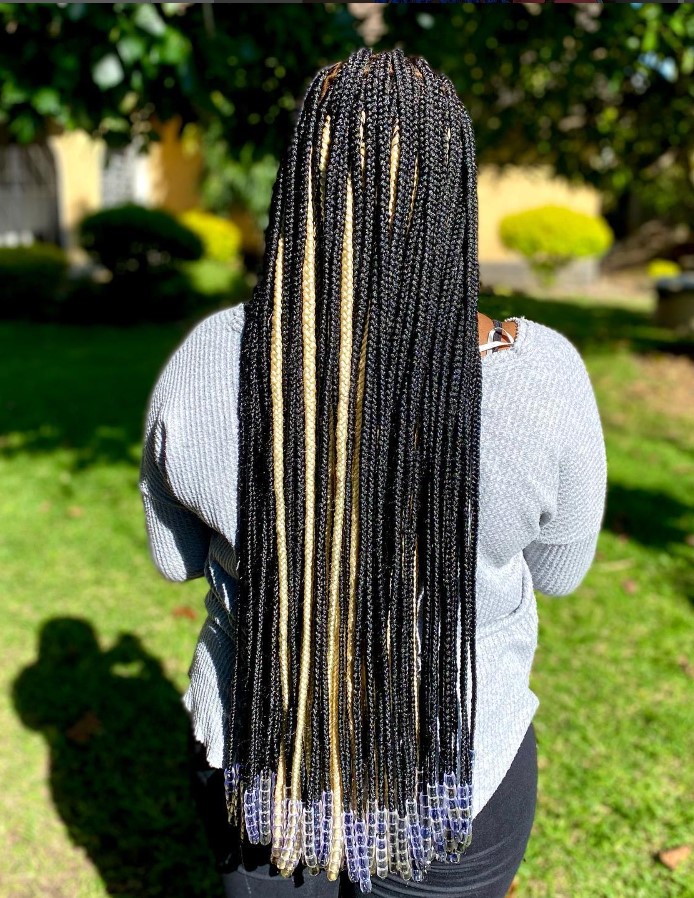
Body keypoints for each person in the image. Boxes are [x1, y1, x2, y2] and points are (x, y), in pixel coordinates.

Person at [140, 49, 607, 898]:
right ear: (452, 194)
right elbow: (562, 571)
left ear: (300, 187)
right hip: (452, 784)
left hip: (267, 776)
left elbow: (174, 559)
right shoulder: (541, 381)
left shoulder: (208, 362)